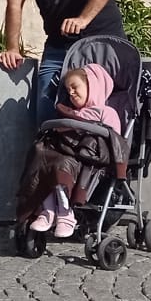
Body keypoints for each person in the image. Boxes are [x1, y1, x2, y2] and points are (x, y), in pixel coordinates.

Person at [31, 64, 123, 236]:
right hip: (65, 150)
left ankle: (65, 214)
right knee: (41, 154)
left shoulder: (106, 112)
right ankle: (48, 210)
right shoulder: (69, 112)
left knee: (60, 162)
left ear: (92, 85)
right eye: (68, 90)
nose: (71, 93)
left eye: (75, 87)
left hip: (89, 157)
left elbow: (114, 141)